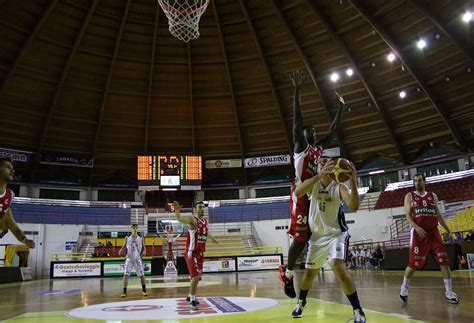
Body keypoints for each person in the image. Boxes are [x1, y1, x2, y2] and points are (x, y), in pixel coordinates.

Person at [279, 69, 345, 298]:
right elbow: (297, 121)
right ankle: (287, 274)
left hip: (316, 194)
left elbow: (333, 131)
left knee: (314, 235)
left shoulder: (318, 149)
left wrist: (341, 108)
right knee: (300, 236)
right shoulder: (301, 146)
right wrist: (297, 90)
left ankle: (310, 266)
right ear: (303, 134)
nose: (314, 132)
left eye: (315, 130)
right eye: (310, 130)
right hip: (301, 194)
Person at [291, 156, 366, 322]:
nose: (322, 163)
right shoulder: (313, 183)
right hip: (317, 238)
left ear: (334, 166)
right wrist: (318, 175)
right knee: (309, 274)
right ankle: (301, 302)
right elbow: (297, 192)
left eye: (326, 161)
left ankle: (358, 310)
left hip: (336, 235)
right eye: (320, 162)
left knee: (337, 266)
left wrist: (353, 182)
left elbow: (354, 207)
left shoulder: (339, 187)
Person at [399, 173, 460, 304]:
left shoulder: (433, 196)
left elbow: (438, 214)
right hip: (418, 235)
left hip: (434, 233)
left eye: (419, 180)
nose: (417, 183)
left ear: (424, 181)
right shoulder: (410, 196)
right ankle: (404, 287)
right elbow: (408, 216)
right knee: (413, 265)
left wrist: (448, 230)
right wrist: (416, 227)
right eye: (415, 181)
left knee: (444, 262)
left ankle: (449, 293)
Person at [173, 200, 218, 310]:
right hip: (191, 253)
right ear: (195, 209)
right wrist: (177, 211)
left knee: (198, 278)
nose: (201, 208)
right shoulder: (192, 220)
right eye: (199, 207)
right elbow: (180, 219)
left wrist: (212, 239)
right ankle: (192, 300)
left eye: (203, 207)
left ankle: (190, 295)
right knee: (195, 277)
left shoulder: (205, 221)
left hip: (200, 253)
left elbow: (205, 233)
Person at [0, 157, 35, 248]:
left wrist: (25, 240)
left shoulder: (10, 195)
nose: (12, 170)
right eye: (8, 167)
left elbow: (11, 224)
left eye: (12, 168)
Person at [119, 224, 147, 298]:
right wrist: (121, 250)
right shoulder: (127, 238)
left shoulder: (141, 238)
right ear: (131, 229)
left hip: (137, 258)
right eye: (133, 228)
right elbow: (123, 247)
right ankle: (124, 291)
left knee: (141, 275)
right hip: (129, 258)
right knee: (125, 275)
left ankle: (144, 291)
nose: (135, 229)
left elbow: (144, 247)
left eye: (136, 228)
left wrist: (144, 251)